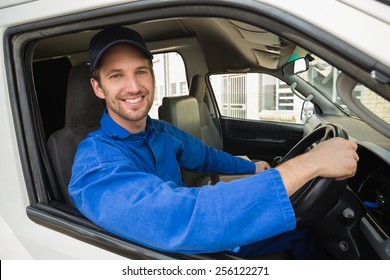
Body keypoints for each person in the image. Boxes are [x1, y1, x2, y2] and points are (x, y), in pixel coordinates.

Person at [68, 26, 359, 259]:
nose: (133, 87)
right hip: (173, 256)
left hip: (199, 240)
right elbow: (183, 217)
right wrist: (311, 163)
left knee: (300, 229)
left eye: (141, 71)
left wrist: (253, 169)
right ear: (98, 87)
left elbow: (206, 157)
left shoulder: (161, 131)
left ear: (152, 76)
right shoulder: (95, 165)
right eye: (116, 75)